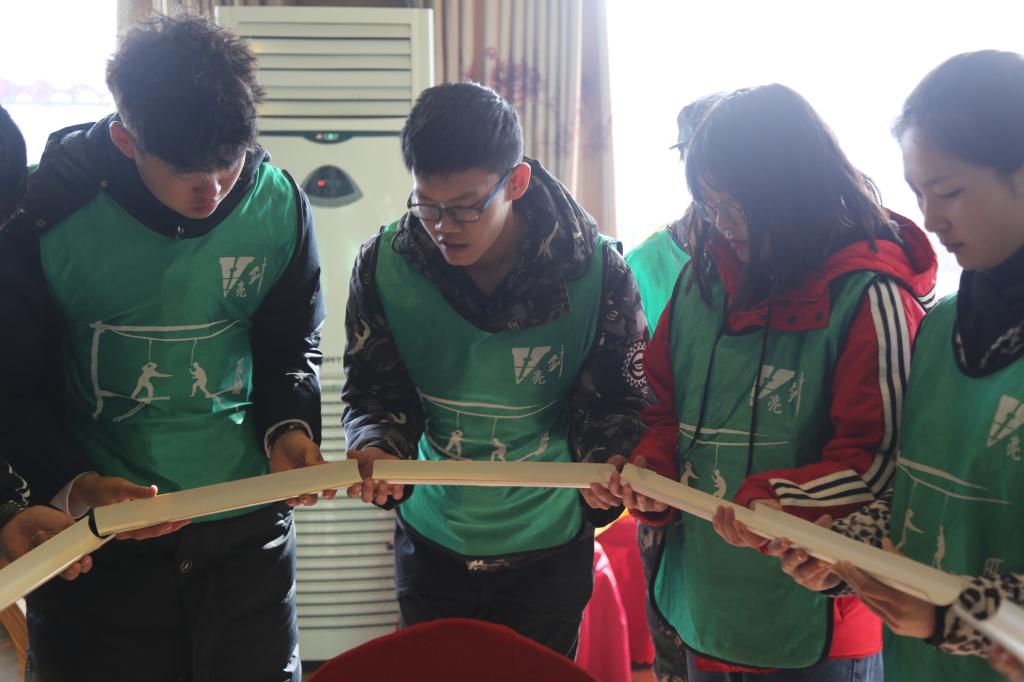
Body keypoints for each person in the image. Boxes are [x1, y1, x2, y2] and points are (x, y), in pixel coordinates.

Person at [0, 15, 327, 681]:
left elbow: (291, 341)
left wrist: (288, 427)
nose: (213, 190)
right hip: (99, 540)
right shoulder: (42, 211)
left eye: (229, 164)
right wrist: (74, 484)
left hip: (245, 535)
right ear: (127, 139)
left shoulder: (278, 205)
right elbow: (14, 383)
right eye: (185, 172)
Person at [604, 84, 936, 679]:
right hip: (704, 604)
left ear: (793, 192)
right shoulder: (700, 283)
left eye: (738, 205)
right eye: (710, 205)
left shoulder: (869, 296)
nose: (722, 224)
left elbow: (884, 463)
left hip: (815, 623)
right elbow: (662, 410)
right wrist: (653, 468)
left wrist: (778, 501)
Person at [341, 81, 648, 658]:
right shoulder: (383, 266)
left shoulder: (597, 269)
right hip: (433, 535)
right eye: (426, 205)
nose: (443, 226)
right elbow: (374, 389)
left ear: (516, 182)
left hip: (547, 540)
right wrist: (378, 444)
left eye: (465, 207)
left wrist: (610, 456)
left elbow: (621, 398)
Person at [763, 50, 1024, 682]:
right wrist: (843, 550)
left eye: (950, 191)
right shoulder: (940, 328)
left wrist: (953, 617)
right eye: (917, 194)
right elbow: (917, 502)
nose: (931, 219)